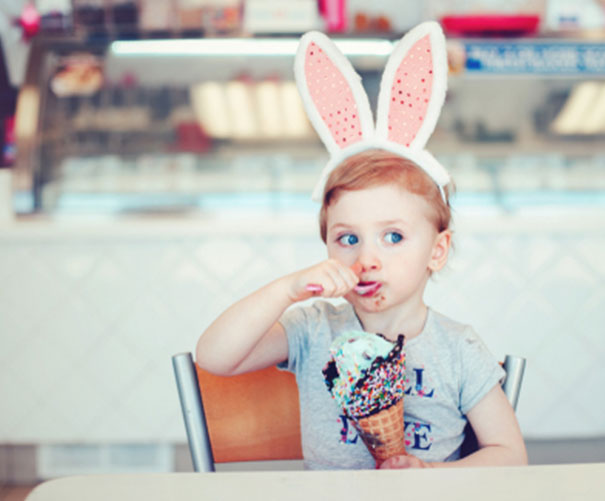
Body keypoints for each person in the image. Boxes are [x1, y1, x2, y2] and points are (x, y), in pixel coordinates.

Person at [195, 22, 527, 470]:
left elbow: (509, 456)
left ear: (437, 250)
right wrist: (287, 290)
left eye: (393, 237)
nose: (366, 259)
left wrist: (433, 475)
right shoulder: (314, 331)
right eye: (347, 239)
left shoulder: (459, 349)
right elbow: (214, 357)